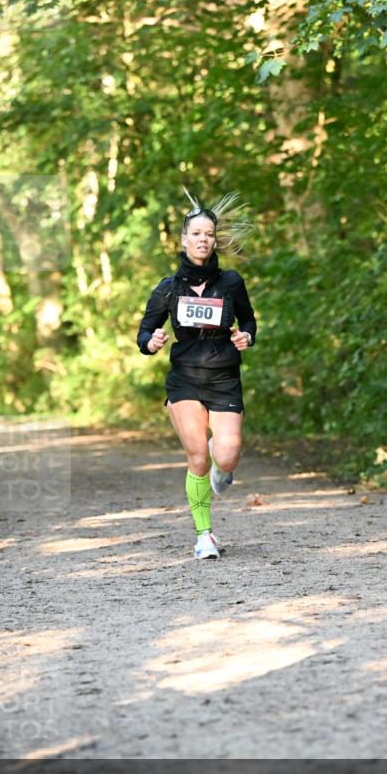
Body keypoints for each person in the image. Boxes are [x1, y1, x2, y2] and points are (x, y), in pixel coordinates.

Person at [137, 188, 257, 559]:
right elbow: (144, 332)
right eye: (197, 234)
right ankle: (204, 534)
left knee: (227, 456)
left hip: (223, 376)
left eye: (209, 235)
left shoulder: (231, 282)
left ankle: (222, 465)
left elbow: (249, 320)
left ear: (214, 240)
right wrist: (151, 342)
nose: (203, 240)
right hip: (185, 378)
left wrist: (246, 335)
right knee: (198, 458)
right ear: (184, 239)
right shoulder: (168, 288)